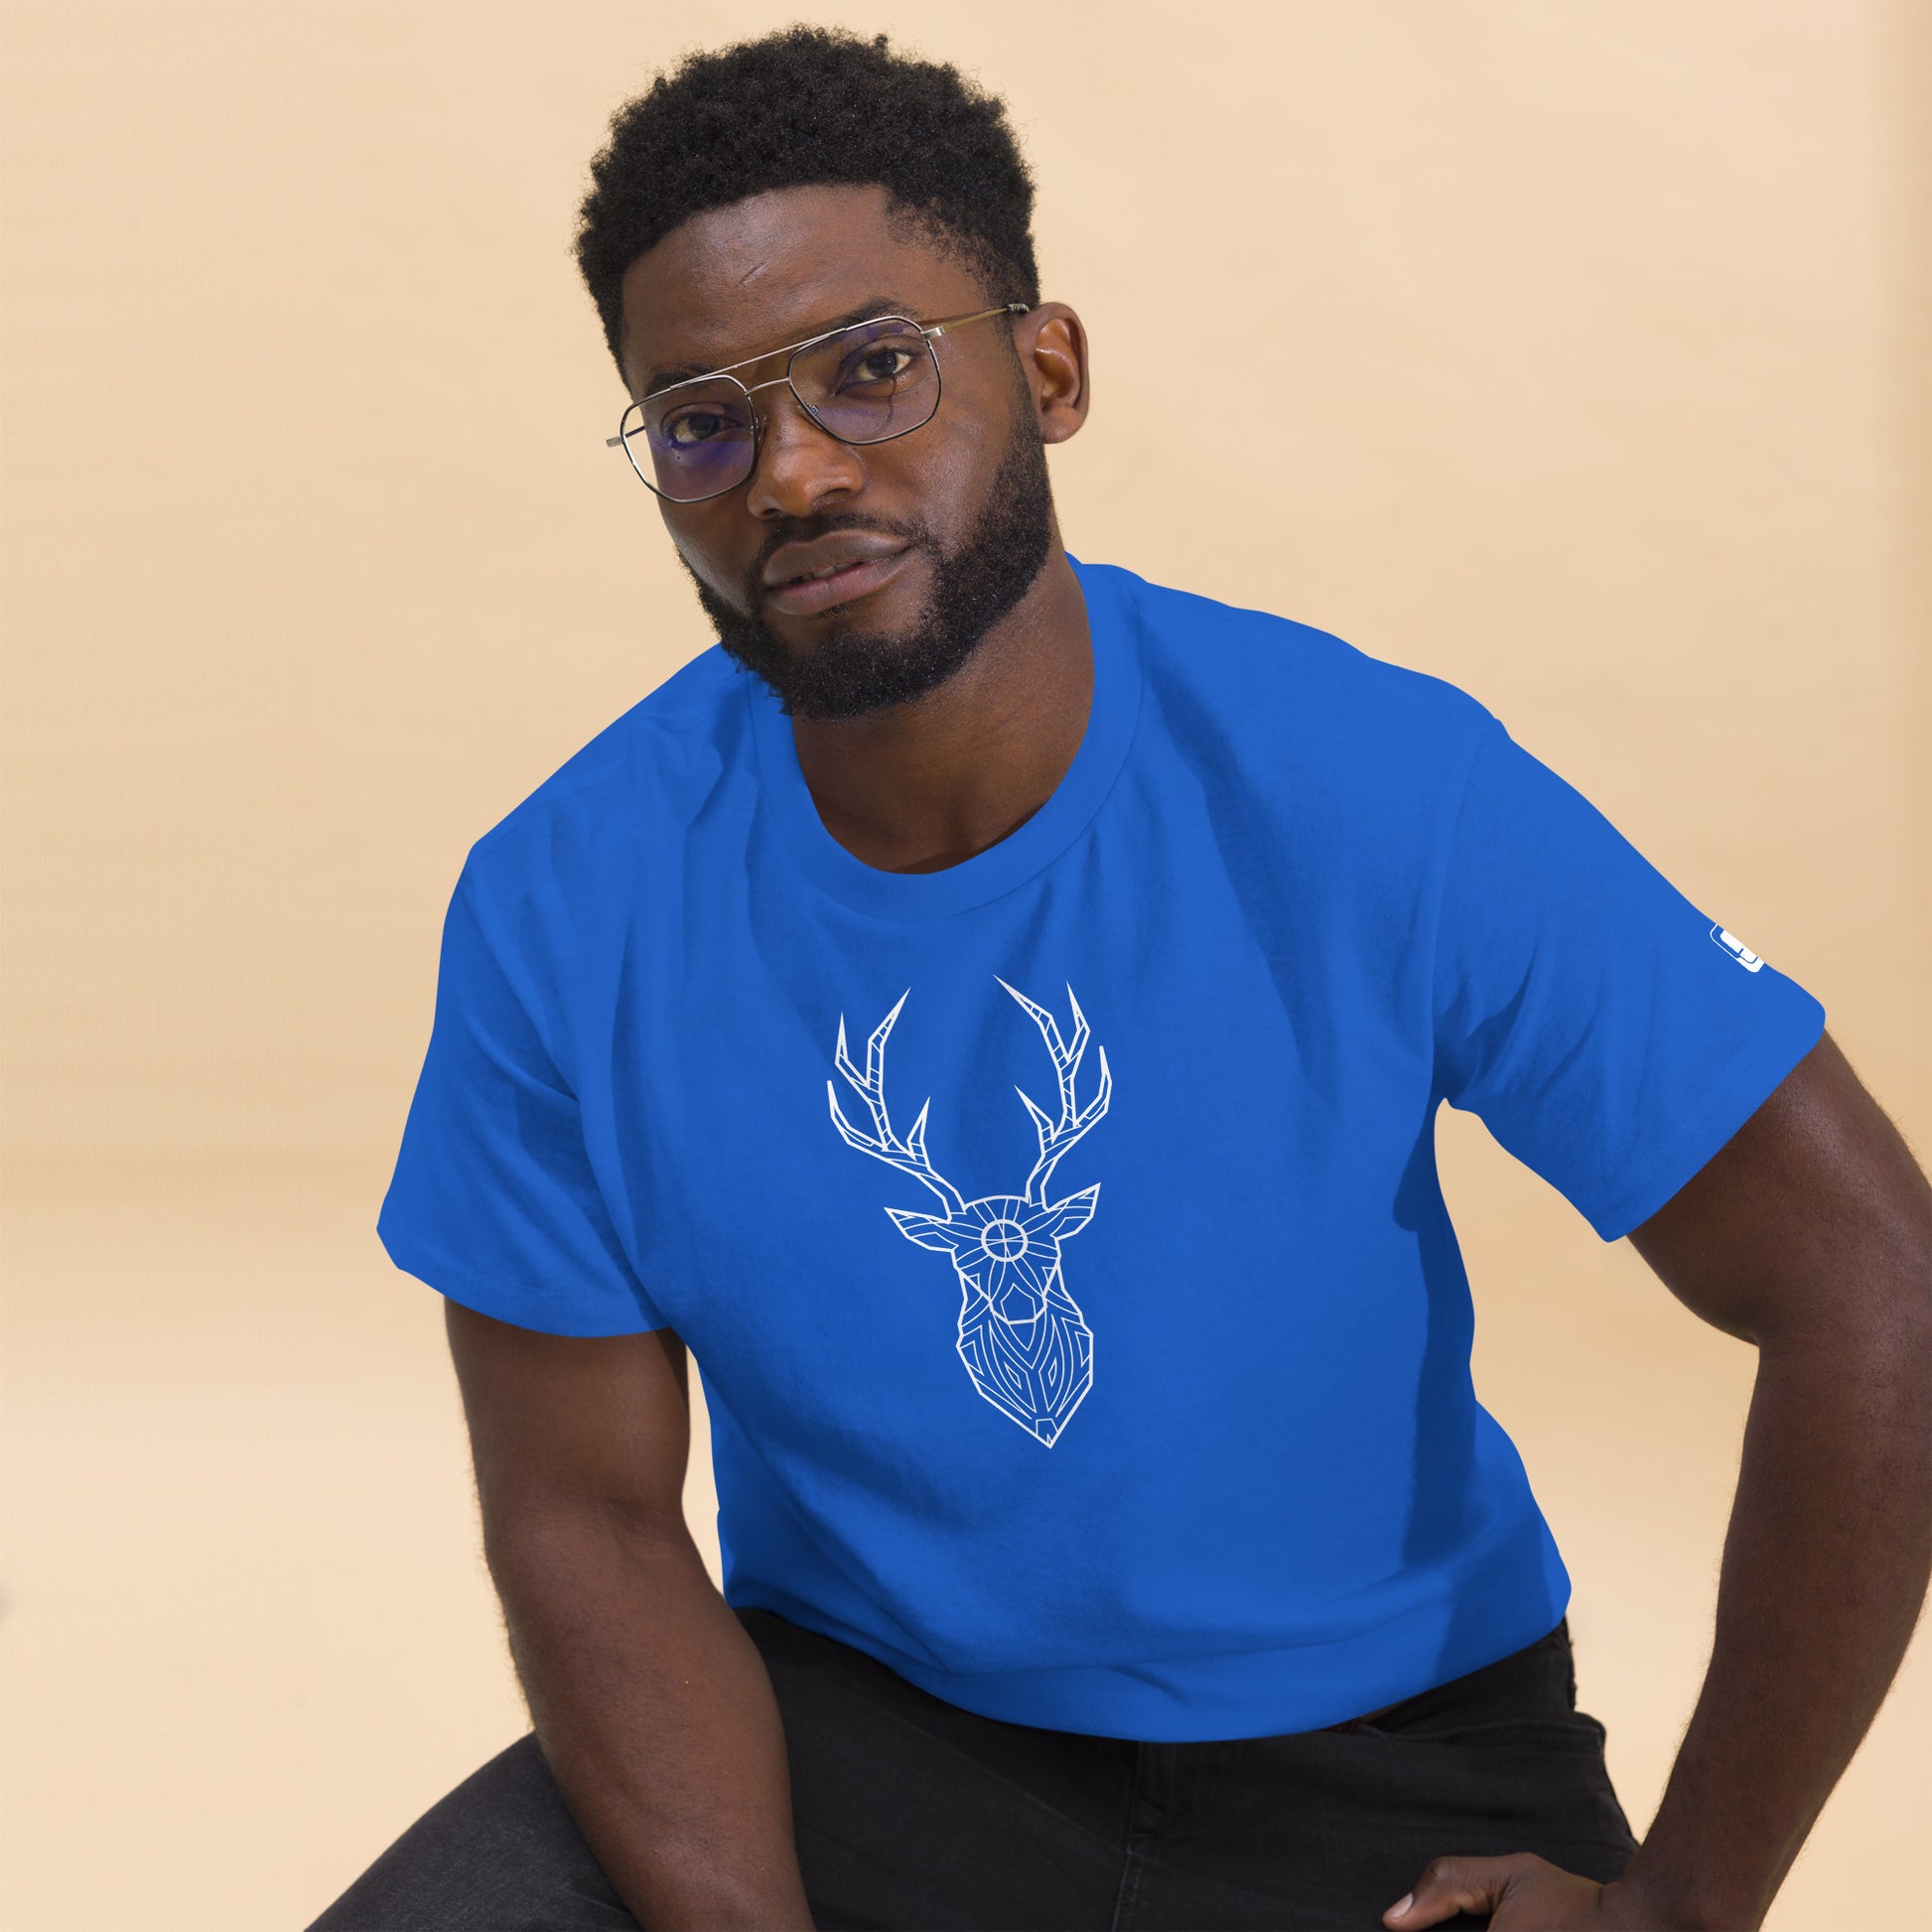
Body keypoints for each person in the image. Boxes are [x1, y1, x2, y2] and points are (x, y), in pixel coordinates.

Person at [308, 27, 1932, 1932]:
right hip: (864, 1736)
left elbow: (1872, 1283)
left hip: (1388, 1770)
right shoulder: (560, 901)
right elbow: (580, 1509)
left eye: (872, 368)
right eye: (700, 422)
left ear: (1047, 368)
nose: (794, 471)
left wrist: (1683, 1906)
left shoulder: (1369, 785)